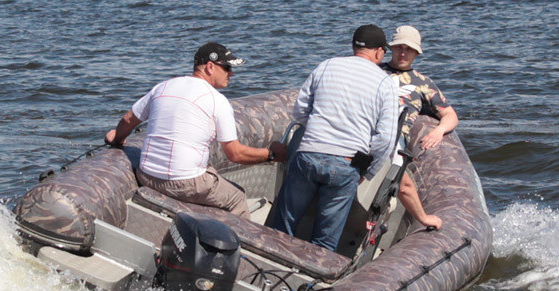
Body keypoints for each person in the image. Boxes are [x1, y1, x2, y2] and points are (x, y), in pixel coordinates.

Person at [105, 42, 286, 218]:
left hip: (147, 175)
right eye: (227, 68)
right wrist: (272, 154)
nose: (231, 73)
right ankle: (236, 247)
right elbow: (235, 154)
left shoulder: (163, 86)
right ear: (209, 67)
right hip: (184, 183)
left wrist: (117, 138)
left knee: (207, 172)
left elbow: (129, 119)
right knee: (237, 197)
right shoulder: (217, 100)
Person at [271, 25, 399, 251]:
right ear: (379, 52)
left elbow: (300, 112)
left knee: (283, 225)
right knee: (325, 240)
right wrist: (366, 171)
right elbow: (385, 140)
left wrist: (319, 135)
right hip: (345, 164)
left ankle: (268, 267)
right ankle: (310, 282)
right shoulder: (385, 82)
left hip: (308, 154)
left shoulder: (326, 66)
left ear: (354, 47)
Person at [381, 25, 460, 231]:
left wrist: (439, 130)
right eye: (399, 47)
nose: (403, 53)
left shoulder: (422, 83)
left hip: (394, 140)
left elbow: (450, 115)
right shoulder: (375, 72)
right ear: (391, 49)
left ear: (416, 53)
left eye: (408, 49)